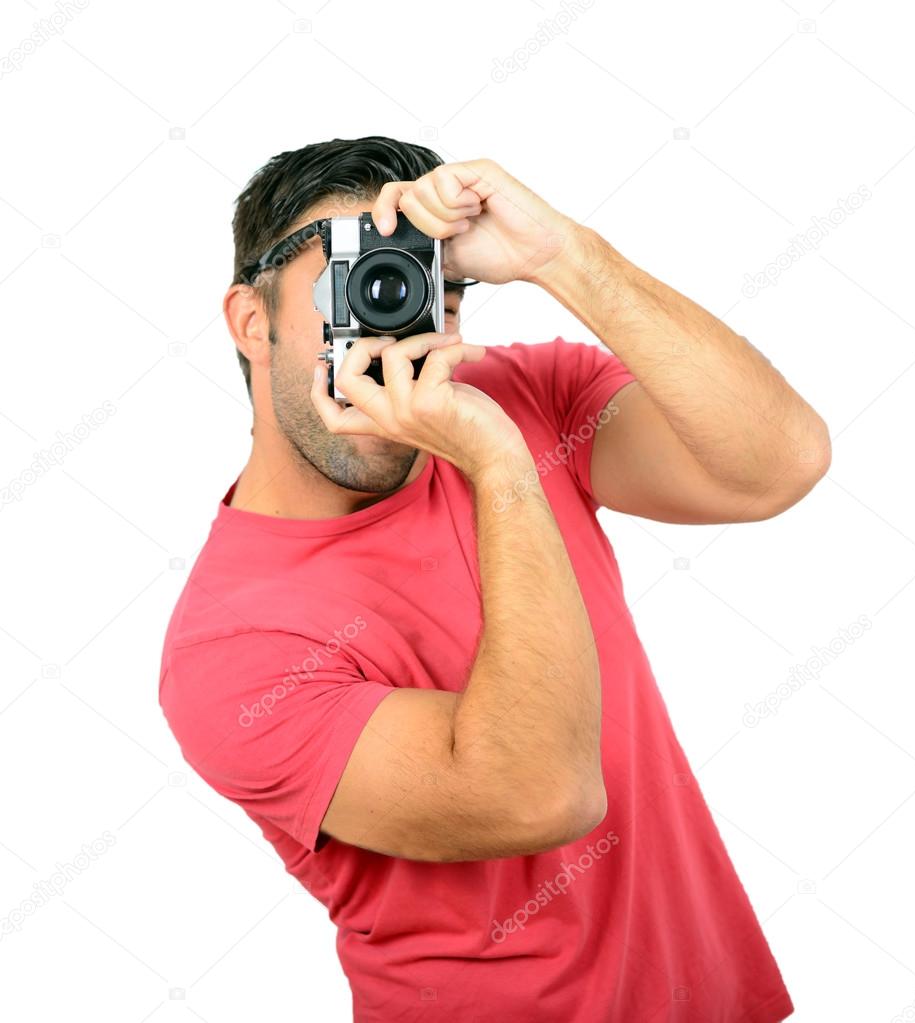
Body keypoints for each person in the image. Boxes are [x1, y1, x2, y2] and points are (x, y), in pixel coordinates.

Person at [159, 135, 829, 1022]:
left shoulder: (515, 401)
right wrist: (499, 469)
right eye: (352, 281)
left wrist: (562, 254)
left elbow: (775, 464)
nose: (386, 319)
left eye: (415, 283)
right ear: (253, 321)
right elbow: (542, 793)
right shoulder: (229, 647)